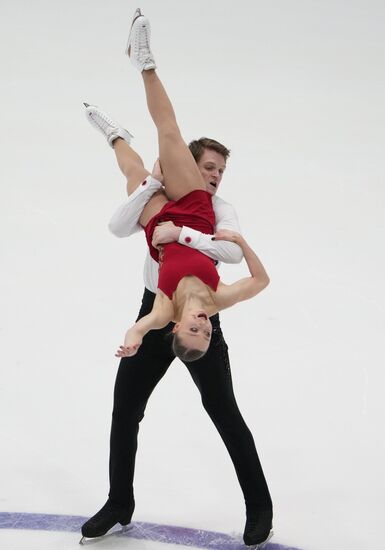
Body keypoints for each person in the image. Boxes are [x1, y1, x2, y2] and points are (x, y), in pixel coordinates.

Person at [81, 8, 273, 547]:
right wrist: (154, 197)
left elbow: (233, 259)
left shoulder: (222, 210)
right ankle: (120, 502)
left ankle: (260, 508)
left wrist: (180, 239)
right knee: (126, 407)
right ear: (191, 166)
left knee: (223, 410)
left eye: (219, 171)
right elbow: (125, 228)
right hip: (157, 289)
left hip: (178, 275)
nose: (214, 176)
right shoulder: (170, 188)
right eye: (207, 167)